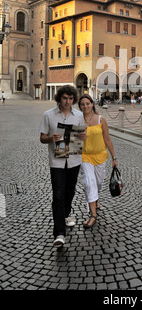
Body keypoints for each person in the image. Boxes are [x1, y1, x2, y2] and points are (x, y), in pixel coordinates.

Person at [39, 85, 86, 248]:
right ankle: (59, 233)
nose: (68, 101)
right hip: (57, 161)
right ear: (59, 98)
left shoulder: (79, 115)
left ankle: (65, 214)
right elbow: (42, 138)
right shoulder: (48, 115)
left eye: (71, 98)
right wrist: (51, 138)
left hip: (74, 159)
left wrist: (83, 136)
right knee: (58, 194)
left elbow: (83, 136)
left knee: (70, 191)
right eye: (65, 98)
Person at [78, 94, 118, 229]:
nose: (85, 106)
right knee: (89, 183)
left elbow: (107, 139)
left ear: (92, 104)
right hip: (85, 156)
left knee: (98, 183)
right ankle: (93, 214)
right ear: (80, 106)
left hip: (100, 156)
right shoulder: (78, 121)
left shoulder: (101, 119)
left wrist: (114, 158)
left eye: (87, 103)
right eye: (82, 104)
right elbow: (72, 140)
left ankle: (96, 198)